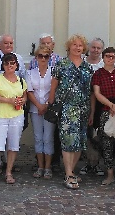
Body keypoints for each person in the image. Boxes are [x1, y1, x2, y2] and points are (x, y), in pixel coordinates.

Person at [49, 34, 93, 189]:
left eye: (80, 45)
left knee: (80, 141)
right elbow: (53, 87)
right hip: (67, 108)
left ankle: (72, 171)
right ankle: (68, 174)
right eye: (75, 45)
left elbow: (91, 91)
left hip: (83, 108)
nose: (77, 48)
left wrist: (91, 112)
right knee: (68, 141)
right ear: (69, 47)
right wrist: (52, 104)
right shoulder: (61, 64)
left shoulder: (87, 67)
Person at [0, 53, 28, 185]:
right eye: (7, 63)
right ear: (3, 65)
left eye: (12, 63)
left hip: (17, 116)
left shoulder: (20, 80)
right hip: (0, 116)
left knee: (13, 146)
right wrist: (8, 100)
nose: (10, 65)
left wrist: (21, 101)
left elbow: (25, 96)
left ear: (16, 65)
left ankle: (8, 172)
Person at [91, 47, 115, 186]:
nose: (110, 59)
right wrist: (110, 105)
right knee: (106, 144)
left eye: (113, 57)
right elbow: (97, 93)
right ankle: (110, 175)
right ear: (103, 57)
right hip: (105, 111)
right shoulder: (98, 74)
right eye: (107, 56)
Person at [25, 46, 55, 179]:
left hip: (49, 109)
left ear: (49, 58)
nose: (43, 58)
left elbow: (54, 91)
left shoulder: (53, 72)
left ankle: (48, 167)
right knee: (38, 137)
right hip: (35, 109)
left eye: (46, 56)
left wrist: (46, 105)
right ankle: (40, 166)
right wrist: (38, 105)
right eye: (40, 56)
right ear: (36, 57)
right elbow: (29, 91)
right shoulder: (30, 73)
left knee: (48, 137)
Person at [80, 37, 106, 177]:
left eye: (98, 48)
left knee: (98, 135)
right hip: (83, 103)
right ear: (89, 48)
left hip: (101, 105)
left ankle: (96, 163)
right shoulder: (82, 63)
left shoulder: (104, 64)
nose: (95, 50)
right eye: (93, 47)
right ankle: (87, 162)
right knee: (85, 135)